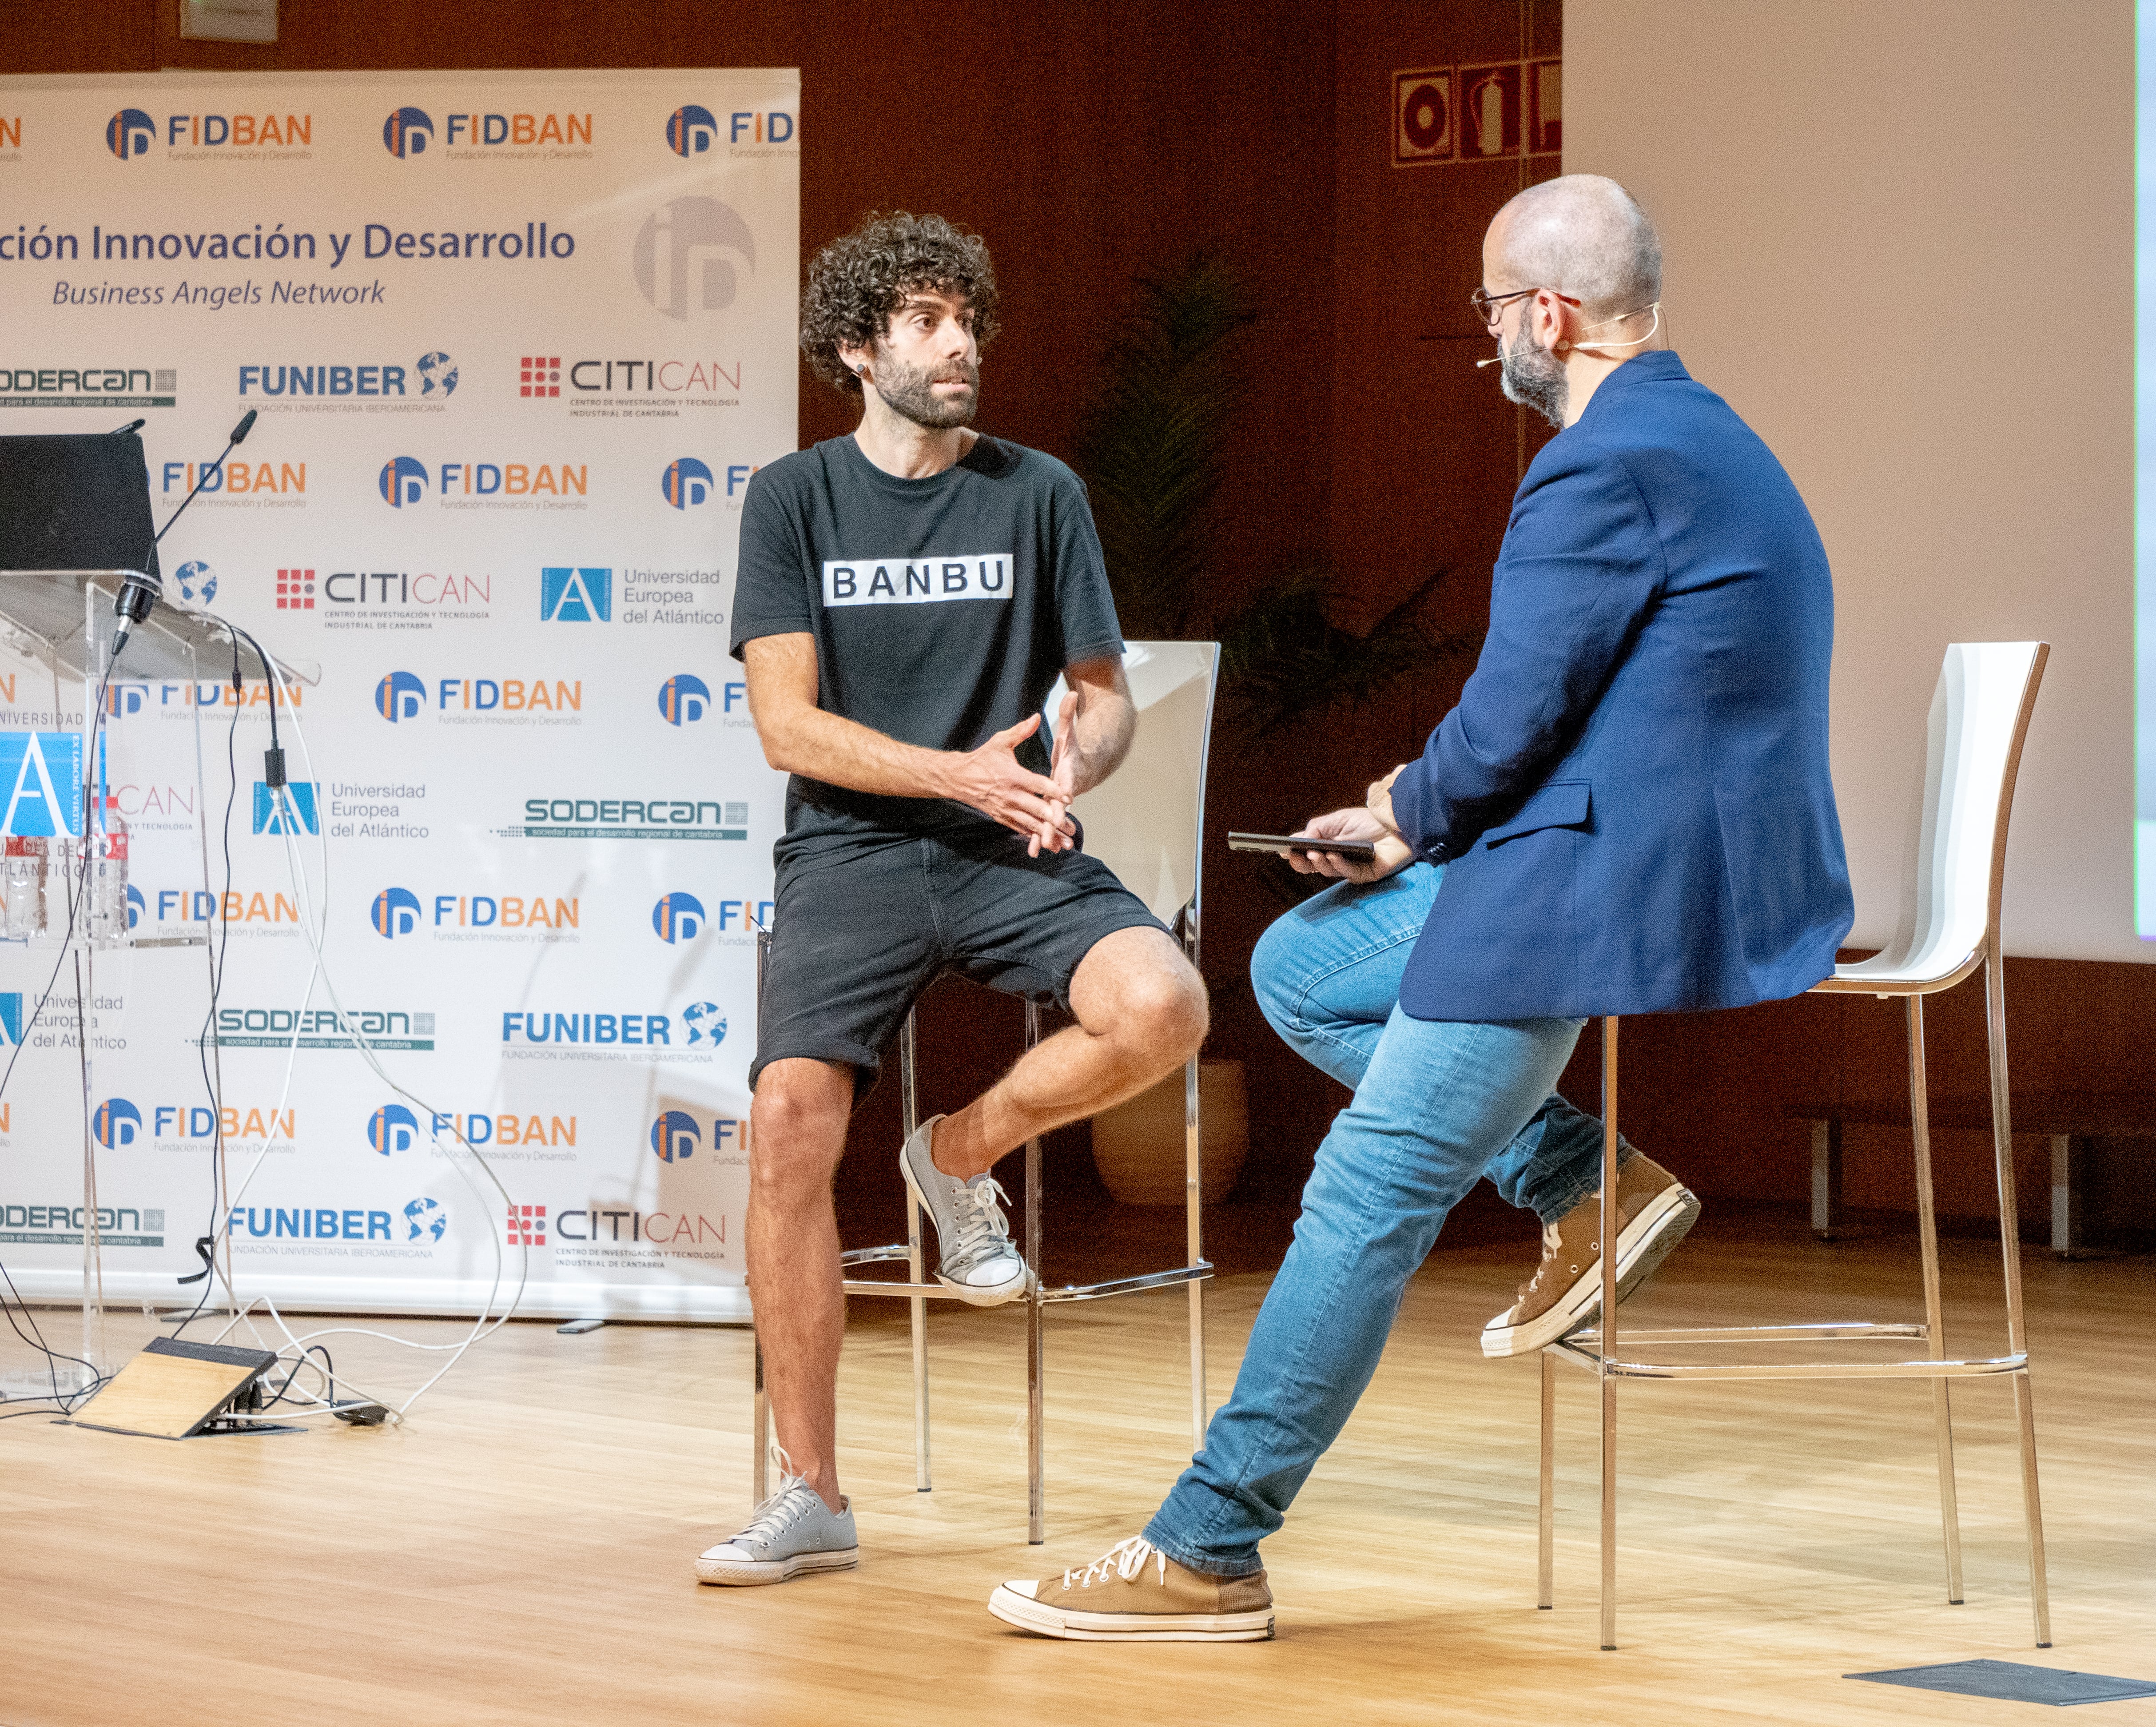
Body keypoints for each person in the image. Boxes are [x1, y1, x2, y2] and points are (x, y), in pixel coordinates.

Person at [988, 175, 1854, 1640]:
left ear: (1549, 314)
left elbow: (1520, 715)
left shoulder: (1598, 464)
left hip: (1608, 879)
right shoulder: (1696, 432)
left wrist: (1419, 809)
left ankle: (1208, 1550)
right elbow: (1594, 705)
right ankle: (1586, 1183)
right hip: (1636, 839)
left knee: (1366, 1190)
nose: (1488, 342)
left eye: (1491, 311)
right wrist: (1409, 820)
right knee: (1306, 966)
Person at [697, 211, 1208, 1588]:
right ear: (856, 350)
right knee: (789, 1124)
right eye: (925, 323)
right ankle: (810, 1491)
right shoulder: (794, 499)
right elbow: (787, 729)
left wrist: (1066, 771)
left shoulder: (1039, 491)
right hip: (853, 854)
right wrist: (959, 776)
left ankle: (960, 1154)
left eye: (967, 319)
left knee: (1162, 1003)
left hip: (1006, 849)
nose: (959, 343)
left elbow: (1098, 703)